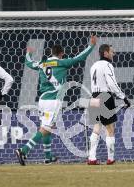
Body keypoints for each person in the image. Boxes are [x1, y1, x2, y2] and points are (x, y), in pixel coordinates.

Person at [15, 35, 97, 165]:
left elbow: (29, 63)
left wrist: (28, 53)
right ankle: (23, 150)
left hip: (42, 99)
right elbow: (80, 57)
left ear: (51, 53)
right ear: (61, 54)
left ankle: (48, 157)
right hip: (53, 101)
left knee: (47, 126)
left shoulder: (42, 63)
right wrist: (91, 46)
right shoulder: (62, 62)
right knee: (46, 128)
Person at [87, 44, 130, 165]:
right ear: (105, 53)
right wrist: (123, 97)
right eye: (112, 51)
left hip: (94, 97)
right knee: (110, 128)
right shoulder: (107, 65)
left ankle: (91, 158)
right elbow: (111, 83)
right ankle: (110, 158)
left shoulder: (93, 66)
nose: (113, 54)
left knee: (96, 127)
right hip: (105, 96)